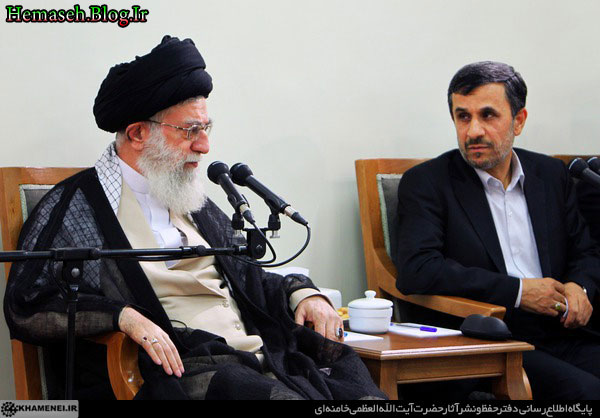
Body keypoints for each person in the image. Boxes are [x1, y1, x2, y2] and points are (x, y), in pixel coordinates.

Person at [3, 35, 385, 400]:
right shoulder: (78, 206)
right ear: (137, 133)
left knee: (355, 384)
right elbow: (28, 305)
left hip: (256, 358)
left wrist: (305, 293)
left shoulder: (189, 197)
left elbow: (250, 278)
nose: (204, 146)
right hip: (185, 372)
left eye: (205, 128)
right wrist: (122, 316)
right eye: (190, 130)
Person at [394, 61, 600, 400]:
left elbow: (586, 251)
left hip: (563, 330)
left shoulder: (550, 174)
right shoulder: (427, 183)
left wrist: (581, 286)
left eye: (488, 115)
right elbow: (418, 270)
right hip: (491, 339)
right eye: (463, 116)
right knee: (586, 392)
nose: (473, 131)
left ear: (519, 120)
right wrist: (518, 291)